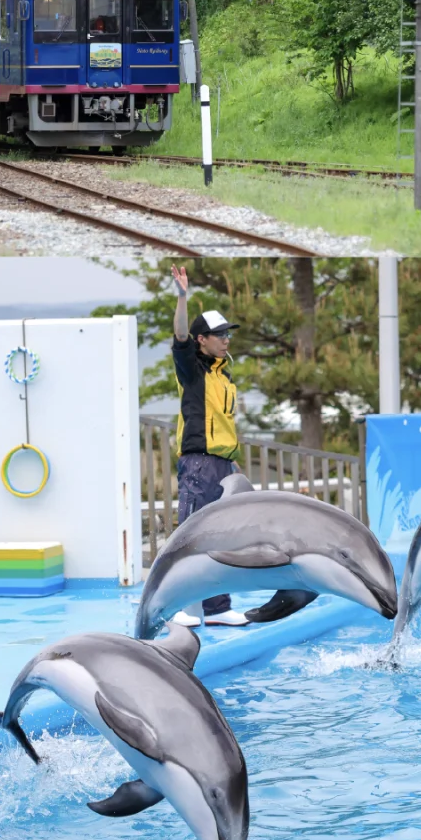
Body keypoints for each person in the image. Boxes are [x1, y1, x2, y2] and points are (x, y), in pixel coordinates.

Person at [169, 265, 256, 627]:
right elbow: (180, 335)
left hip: (222, 466)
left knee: (222, 537)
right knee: (190, 535)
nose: (225, 340)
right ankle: (179, 606)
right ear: (202, 339)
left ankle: (218, 609)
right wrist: (182, 297)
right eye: (219, 334)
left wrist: (232, 462)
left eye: (227, 334)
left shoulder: (224, 377)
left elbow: (225, 424)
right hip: (198, 464)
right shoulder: (193, 371)